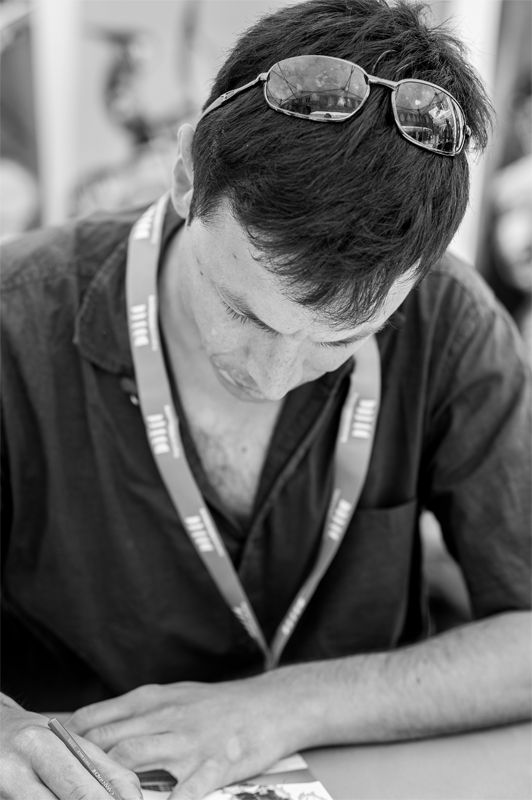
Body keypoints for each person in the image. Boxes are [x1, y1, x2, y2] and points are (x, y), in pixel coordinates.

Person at [1, 0, 530, 798]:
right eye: (243, 311)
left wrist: (286, 706)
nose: (273, 374)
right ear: (187, 176)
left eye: (340, 339)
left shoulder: (452, 320)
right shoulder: (15, 318)